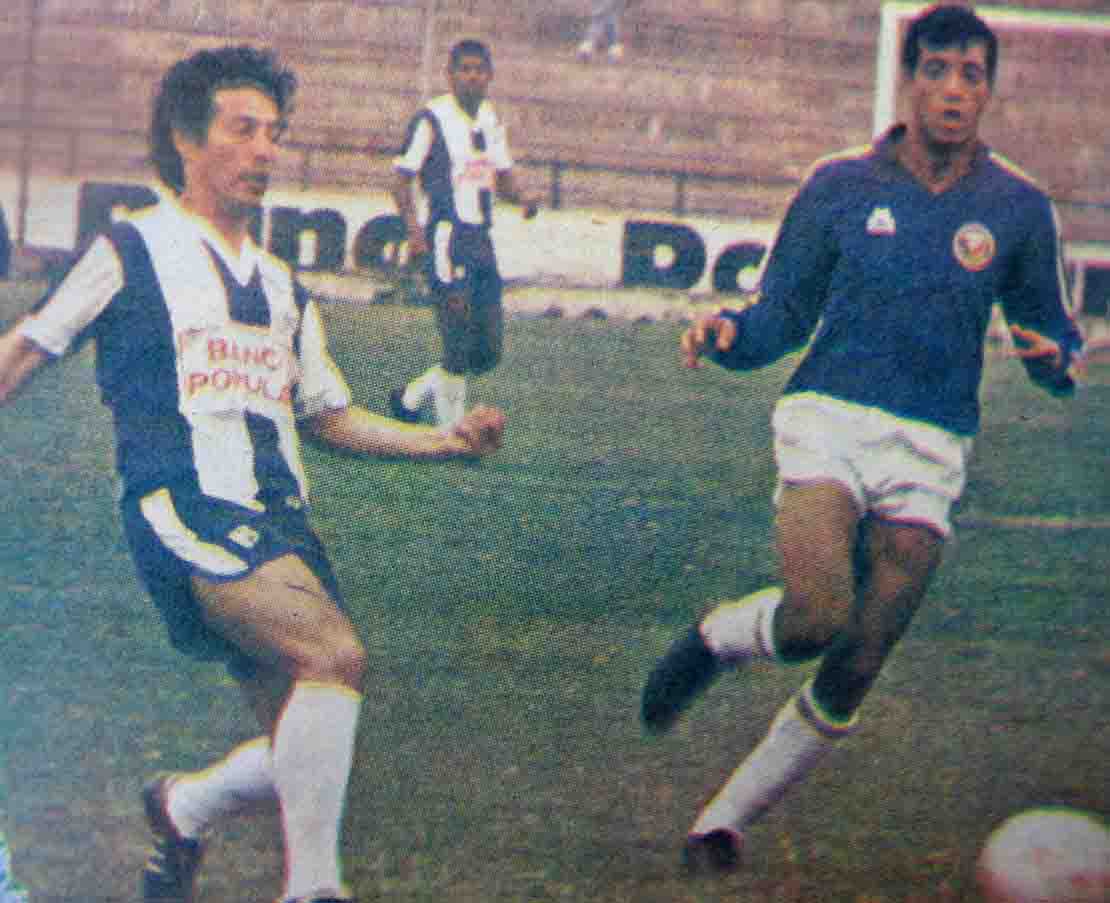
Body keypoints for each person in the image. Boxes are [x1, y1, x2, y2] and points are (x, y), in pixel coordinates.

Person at [0, 45, 504, 903]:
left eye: (275, 133)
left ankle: (183, 806)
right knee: (334, 655)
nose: (265, 150)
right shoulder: (132, 246)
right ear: (186, 139)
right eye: (243, 130)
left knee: (303, 745)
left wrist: (445, 442)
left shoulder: (281, 286)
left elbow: (329, 416)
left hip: (282, 528)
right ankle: (313, 890)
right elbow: (25, 349)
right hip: (185, 507)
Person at [640, 3, 1084, 873]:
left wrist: (1056, 361)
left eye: (971, 75)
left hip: (933, 444)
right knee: (816, 614)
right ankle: (716, 639)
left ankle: (720, 823)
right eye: (937, 70)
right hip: (830, 418)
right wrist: (728, 334)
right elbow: (780, 314)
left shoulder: (1019, 208)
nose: (953, 90)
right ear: (907, 79)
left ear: (989, 91)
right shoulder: (839, 185)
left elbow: (1053, 337)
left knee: (858, 660)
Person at [388, 39, 539, 430]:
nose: (472, 76)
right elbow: (401, 180)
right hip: (445, 237)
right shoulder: (431, 119)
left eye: (479, 70)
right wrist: (414, 232)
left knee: (487, 352)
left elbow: (502, 176)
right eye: (464, 69)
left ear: (490, 76)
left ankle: (411, 396)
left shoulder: (489, 118)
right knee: (456, 333)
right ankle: (452, 435)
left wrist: (523, 197)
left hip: (480, 240)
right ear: (450, 75)